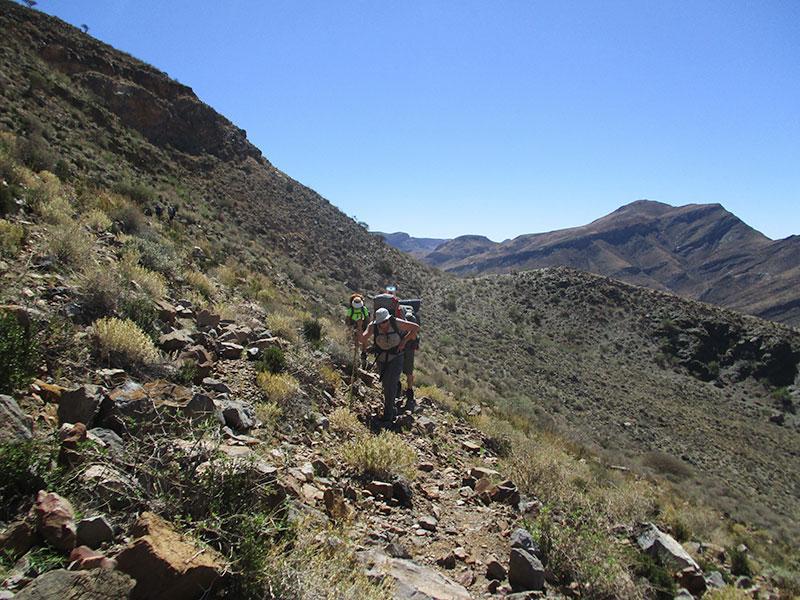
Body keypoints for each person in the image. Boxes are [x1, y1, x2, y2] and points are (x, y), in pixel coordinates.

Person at [358, 307, 419, 422]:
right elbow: (362, 339)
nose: (383, 325)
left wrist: (404, 341)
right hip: (382, 359)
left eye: (385, 321)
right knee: (386, 384)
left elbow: (415, 328)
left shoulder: (395, 322)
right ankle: (392, 406)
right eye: (381, 323)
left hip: (397, 356)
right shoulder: (373, 326)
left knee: (391, 383)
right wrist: (360, 325)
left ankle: (388, 413)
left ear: (388, 319)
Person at [345, 294, 369, 368]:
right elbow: (367, 318)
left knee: (362, 341)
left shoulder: (361, 309)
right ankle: (359, 357)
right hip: (355, 327)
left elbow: (348, 319)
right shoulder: (361, 309)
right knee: (360, 342)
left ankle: (362, 355)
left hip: (361, 327)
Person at [401, 307, 418, 411]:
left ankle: (409, 391)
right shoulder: (412, 328)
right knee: (409, 372)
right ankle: (409, 391)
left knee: (407, 372)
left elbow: (412, 337)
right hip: (408, 352)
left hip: (406, 351)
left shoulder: (405, 328)